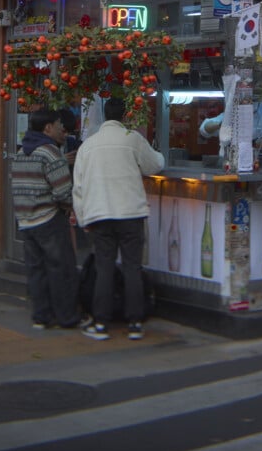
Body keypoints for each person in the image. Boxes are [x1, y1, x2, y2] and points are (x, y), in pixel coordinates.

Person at [73, 97, 164, 341]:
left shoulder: (88, 146)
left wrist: (83, 219)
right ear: (125, 116)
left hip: (99, 214)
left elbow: (78, 188)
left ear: (104, 116)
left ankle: (101, 324)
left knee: (104, 267)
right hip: (131, 213)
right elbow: (155, 164)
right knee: (132, 267)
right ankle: (135, 323)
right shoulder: (132, 139)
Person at [11, 109, 86, 330]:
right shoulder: (50, 152)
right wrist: (68, 207)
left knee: (36, 271)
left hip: (25, 221)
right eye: (58, 125)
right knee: (60, 269)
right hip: (49, 219)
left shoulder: (22, 152)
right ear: (47, 128)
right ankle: (67, 317)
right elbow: (63, 191)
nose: (61, 129)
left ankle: (41, 316)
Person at [199, 100, 262, 166]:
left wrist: (246, 145)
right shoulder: (231, 113)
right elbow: (204, 130)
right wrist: (222, 124)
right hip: (231, 163)